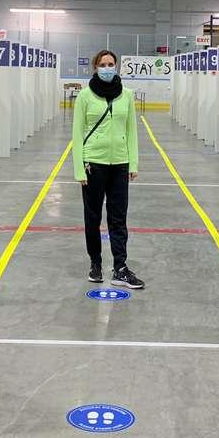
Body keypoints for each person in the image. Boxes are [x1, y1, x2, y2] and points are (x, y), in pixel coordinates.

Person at [72, 50, 144, 289]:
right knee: (92, 218)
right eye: (102, 64)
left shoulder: (127, 95)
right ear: (95, 67)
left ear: (117, 66)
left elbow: (132, 131)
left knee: (118, 218)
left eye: (111, 64)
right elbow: (77, 133)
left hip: (120, 165)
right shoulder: (84, 96)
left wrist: (133, 163)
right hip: (93, 163)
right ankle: (95, 263)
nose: (107, 67)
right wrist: (79, 169)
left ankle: (120, 268)